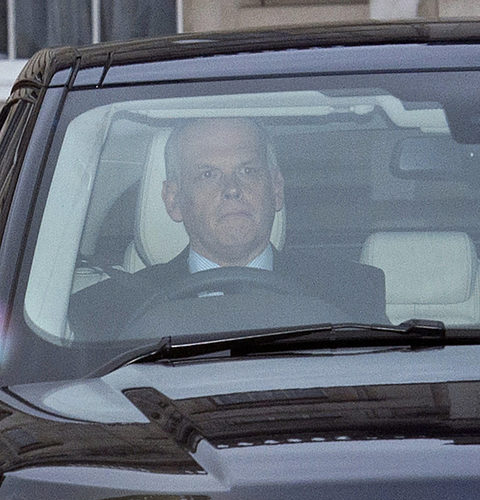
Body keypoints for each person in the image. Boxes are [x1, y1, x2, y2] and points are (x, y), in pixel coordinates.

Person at [69, 118, 387, 337]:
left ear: (276, 189)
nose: (232, 189)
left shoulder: (352, 296)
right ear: (173, 199)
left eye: (248, 171)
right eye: (208, 175)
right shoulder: (108, 313)